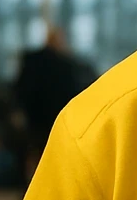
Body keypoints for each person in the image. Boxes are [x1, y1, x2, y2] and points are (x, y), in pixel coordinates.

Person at [12, 25, 97, 182]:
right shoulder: (67, 64)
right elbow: (73, 91)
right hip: (55, 117)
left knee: (33, 154)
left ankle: (30, 186)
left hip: (34, 118)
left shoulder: (31, 59)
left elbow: (20, 89)